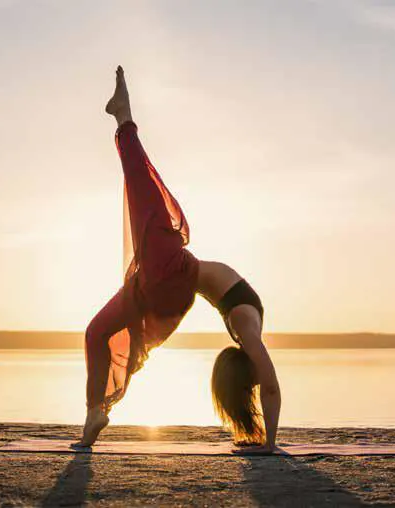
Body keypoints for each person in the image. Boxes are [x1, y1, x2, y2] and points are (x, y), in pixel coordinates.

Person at [76, 66, 280, 453]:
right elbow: (264, 379)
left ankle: (125, 114)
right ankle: (93, 414)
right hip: (169, 285)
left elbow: (270, 383)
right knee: (96, 332)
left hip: (177, 274)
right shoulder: (244, 326)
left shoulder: (245, 324)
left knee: (147, 198)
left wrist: (270, 444)